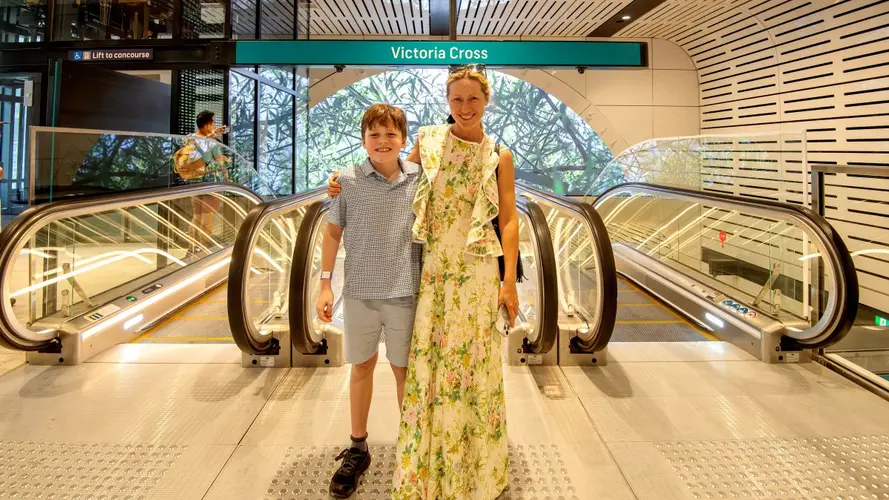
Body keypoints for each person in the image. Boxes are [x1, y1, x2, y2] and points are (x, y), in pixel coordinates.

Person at [328, 66, 520, 499]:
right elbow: (393, 176)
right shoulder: (429, 141)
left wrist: (508, 282)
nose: (465, 108)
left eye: (473, 99)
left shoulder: (498, 155)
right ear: (447, 102)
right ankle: (431, 456)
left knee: (473, 364)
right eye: (457, 100)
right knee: (430, 367)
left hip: (476, 271)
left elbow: (508, 220)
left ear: (487, 100)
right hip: (433, 272)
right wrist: (342, 180)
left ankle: (473, 461)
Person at [317, 103, 423, 499]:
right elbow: (331, 234)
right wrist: (325, 285)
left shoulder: (419, 179)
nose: (382, 142)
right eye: (374, 135)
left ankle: (411, 447)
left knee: (404, 372)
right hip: (360, 291)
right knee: (361, 366)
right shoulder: (346, 182)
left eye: (391, 135)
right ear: (363, 140)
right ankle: (358, 447)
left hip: (405, 293)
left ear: (403, 140)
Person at [188, 110, 229, 256]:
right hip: (210, 182)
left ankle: (191, 246)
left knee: (197, 216)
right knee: (207, 216)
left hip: (194, 181)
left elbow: (198, 154)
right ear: (206, 125)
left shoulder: (190, 138)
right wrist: (226, 177)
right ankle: (203, 249)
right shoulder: (211, 142)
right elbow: (218, 162)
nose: (214, 126)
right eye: (212, 123)